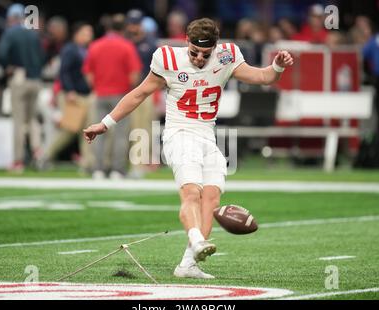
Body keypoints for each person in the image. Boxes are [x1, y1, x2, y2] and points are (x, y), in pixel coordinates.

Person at [83, 18, 293, 279]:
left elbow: (262, 77)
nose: (199, 59)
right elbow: (138, 93)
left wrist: (277, 66)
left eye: (206, 54)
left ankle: (188, 265)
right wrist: (105, 124)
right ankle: (196, 240)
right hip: (179, 134)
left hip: (207, 136)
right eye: (194, 52)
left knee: (212, 198)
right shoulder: (168, 58)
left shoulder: (227, 56)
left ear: (215, 49)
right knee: (191, 192)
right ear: (186, 42)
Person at [83, 14, 142, 179]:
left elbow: (88, 74)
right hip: (120, 96)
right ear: (124, 29)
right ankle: (117, 169)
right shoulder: (127, 46)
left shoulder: (95, 46)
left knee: (97, 134)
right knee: (120, 135)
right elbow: (134, 76)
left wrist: (97, 87)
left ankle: (98, 169)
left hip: (100, 94)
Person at [38, 22, 94, 171]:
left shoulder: (85, 50)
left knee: (88, 130)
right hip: (73, 95)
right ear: (77, 33)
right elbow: (64, 72)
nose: (89, 36)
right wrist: (69, 91)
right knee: (69, 130)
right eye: (86, 32)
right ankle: (45, 156)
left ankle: (87, 163)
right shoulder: (70, 49)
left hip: (84, 95)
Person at [0, 3, 45, 172]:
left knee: (18, 120)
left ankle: (18, 161)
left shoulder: (11, 33)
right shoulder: (33, 34)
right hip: (36, 79)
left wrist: (7, 67)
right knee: (32, 118)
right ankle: (38, 151)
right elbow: (43, 56)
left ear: (11, 18)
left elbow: (1, 53)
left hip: (19, 77)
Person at [125, 9, 159, 178]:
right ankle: (122, 164)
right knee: (125, 129)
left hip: (144, 92)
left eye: (136, 24)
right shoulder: (125, 42)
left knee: (142, 128)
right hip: (125, 91)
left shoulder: (150, 43)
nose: (133, 27)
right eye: (131, 23)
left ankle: (137, 165)